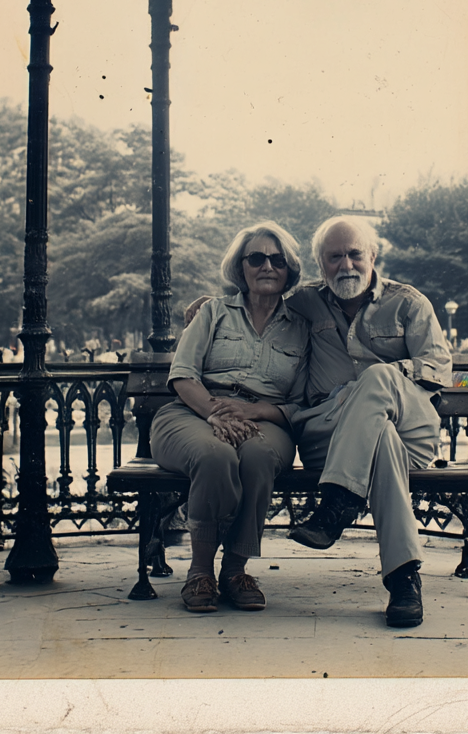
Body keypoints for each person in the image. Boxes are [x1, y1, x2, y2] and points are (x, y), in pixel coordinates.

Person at [285, 216, 451, 628]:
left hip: (412, 430)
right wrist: (209, 303)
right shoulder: (303, 302)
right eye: (335, 256)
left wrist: (390, 379)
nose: (347, 265)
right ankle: (403, 579)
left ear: (372, 256)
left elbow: (440, 367)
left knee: (377, 381)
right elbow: (257, 298)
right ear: (320, 264)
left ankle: (335, 508)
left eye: (355, 254)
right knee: (383, 440)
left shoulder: (408, 303)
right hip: (331, 434)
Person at [150, 221, 309, 613]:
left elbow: (302, 401)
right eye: (256, 258)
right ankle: (200, 570)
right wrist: (215, 414)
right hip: (193, 410)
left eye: (277, 259)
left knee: (256, 457)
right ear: (241, 267)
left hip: (265, 420)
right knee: (214, 454)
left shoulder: (302, 329)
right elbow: (183, 375)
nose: (267, 266)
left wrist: (253, 410)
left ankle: (235, 571)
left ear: (289, 269)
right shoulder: (214, 312)